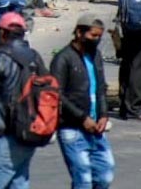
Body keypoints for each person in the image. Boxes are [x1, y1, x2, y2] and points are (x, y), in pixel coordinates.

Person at [0, 12, 41, 189]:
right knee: (18, 181)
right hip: (30, 132)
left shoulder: (1, 56)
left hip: (6, 132)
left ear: (2, 33)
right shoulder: (34, 57)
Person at [52, 14, 115, 188]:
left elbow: (101, 88)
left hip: (95, 127)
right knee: (83, 180)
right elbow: (57, 94)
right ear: (79, 33)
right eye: (93, 36)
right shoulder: (63, 58)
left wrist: (103, 114)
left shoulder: (95, 56)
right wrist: (82, 118)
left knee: (104, 175)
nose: (96, 40)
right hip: (72, 129)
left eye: (99, 37)